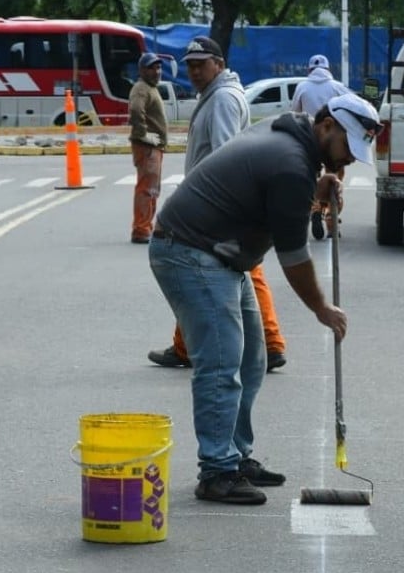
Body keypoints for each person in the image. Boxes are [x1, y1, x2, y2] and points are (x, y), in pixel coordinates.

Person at [148, 93, 381, 504]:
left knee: (252, 360)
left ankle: (235, 456)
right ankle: (217, 471)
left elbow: (267, 192)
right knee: (221, 363)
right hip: (190, 251)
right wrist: (321, 308)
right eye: (348, 146)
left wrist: (314, 189)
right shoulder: (291, 163)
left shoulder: (294, 143)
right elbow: (294, 256)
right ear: (327, 126)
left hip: (219, 254)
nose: (348, 159)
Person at [147, 35, 289, 372]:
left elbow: (225, 154)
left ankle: (270, 343)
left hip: (214, 204)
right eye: (190, 66)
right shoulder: (216, 95)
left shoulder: (223, 99)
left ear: (219, 65)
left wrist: (213, 204)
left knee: (239, 271)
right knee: (200, 270)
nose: (194, 72)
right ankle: (186, 346)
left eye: (201, 65)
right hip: (211, 202)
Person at [292, 54, 353, 239]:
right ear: (328, 70)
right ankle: (331, 220)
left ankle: (316, 207)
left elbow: (295, 113)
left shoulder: (302, 87)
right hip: (333, 143)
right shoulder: (338, 87)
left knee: (313, 180)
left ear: (309, 70)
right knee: (334, 181)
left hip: (310, 140)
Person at [128, 52, 168, 244]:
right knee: (147, 189)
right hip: (147, 147)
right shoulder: (141, 88)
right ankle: (141, 229)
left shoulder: (149, 88)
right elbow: (136, 110)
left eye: (158, 67)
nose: (156, 71)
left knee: (152, 188)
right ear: (142, 70)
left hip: (153, 146)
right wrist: (143, 134)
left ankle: (145, 227)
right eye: (151, 68)